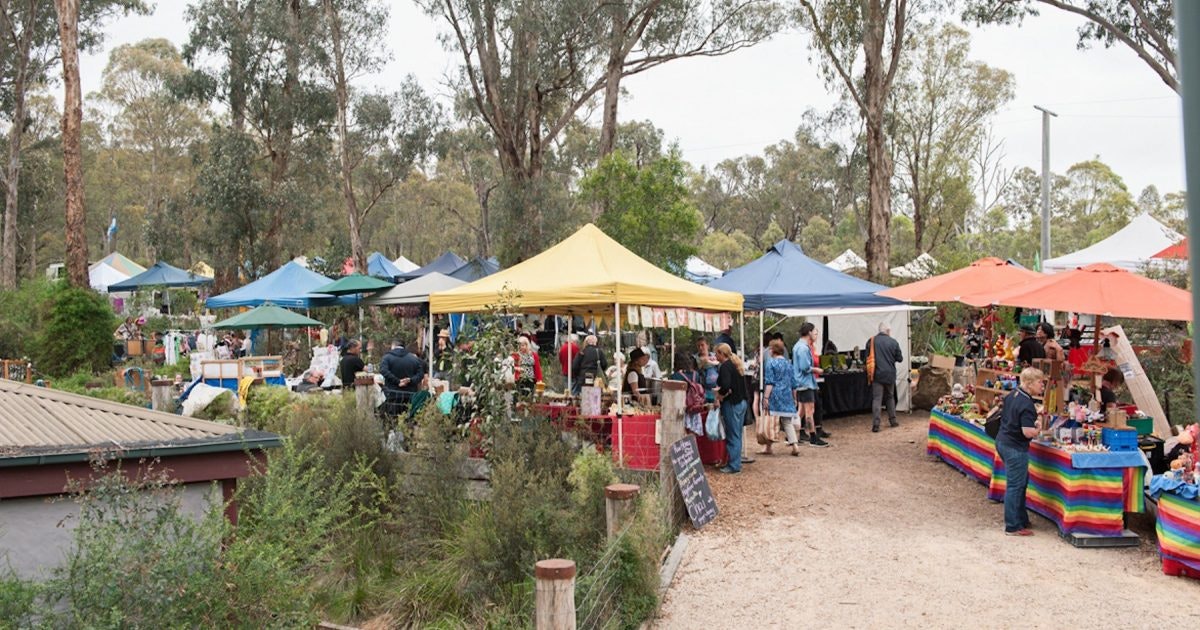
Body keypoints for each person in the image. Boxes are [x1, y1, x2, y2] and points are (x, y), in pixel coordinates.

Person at [995, 368, 1046, 536]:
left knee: (1021, 482)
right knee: (1016, 486)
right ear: (1030, 383)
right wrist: (1038, 427)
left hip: (1003, 440)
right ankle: (1012, 525)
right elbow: (1027, 432)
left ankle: (1021, 519)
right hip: (1015, 446)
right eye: (1040, 382)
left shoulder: (1013, 394)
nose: (1042, 385)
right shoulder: (1027, 404)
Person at [791, 323, 828, 447]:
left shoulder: (798, 346)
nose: (815, 335)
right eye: (814, 332)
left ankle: (790, 434)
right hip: (805, 383)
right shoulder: (803, 348)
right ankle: (813, 437)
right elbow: (805, 367)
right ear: (809, 333)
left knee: (800, 411)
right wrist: (817, 370)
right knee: (809, 410)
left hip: (800, 382)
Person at [714, 343, 748, 474]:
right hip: (741, 403)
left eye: (717, 353)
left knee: (732, 435)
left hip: (732, 404)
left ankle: (733, 465)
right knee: (737, 434)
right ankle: (736, 461)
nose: (715, 356)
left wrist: (720, 394)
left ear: (722, 354)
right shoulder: (736, 365)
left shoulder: (725, 367)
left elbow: (726, 385)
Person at [763, 339, 801, 456]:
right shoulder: (789, 364)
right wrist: (795, 398)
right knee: (787, 422)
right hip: (787, 394)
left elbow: (770, 382)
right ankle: (794, 445)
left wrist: (766, 397)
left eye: (770, 348)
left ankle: (768, 446)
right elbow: (793, 383)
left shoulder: (771, 363)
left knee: (771, 421)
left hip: (775, 394)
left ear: (773, 350)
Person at [868, 322, 903, 433]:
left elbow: (867, 357)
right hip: (890, 374)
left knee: (877, 399)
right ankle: (893, 421)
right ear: (888, 331)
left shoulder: (871, 341)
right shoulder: (893, 342)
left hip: (877, 374)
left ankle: (876, 425)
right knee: (890, 397)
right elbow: (900, 358)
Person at [379, 338, 424, 418]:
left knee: (392, 418)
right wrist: (410, 380)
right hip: (410, 395)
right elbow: (420, 374)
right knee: (408, 418)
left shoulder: (387, 358)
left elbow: (383, 370)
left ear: (393, 346)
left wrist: (397, 381)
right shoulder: (414, 359)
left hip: (392, 394)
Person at [695, 337, 720, 403]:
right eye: (698, 346)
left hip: (716, 391)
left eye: (702, 345)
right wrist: (701, 364)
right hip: (702, 391)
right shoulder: (694, 359)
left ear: (707, 345)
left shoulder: (715, 356)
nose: (700, 348)